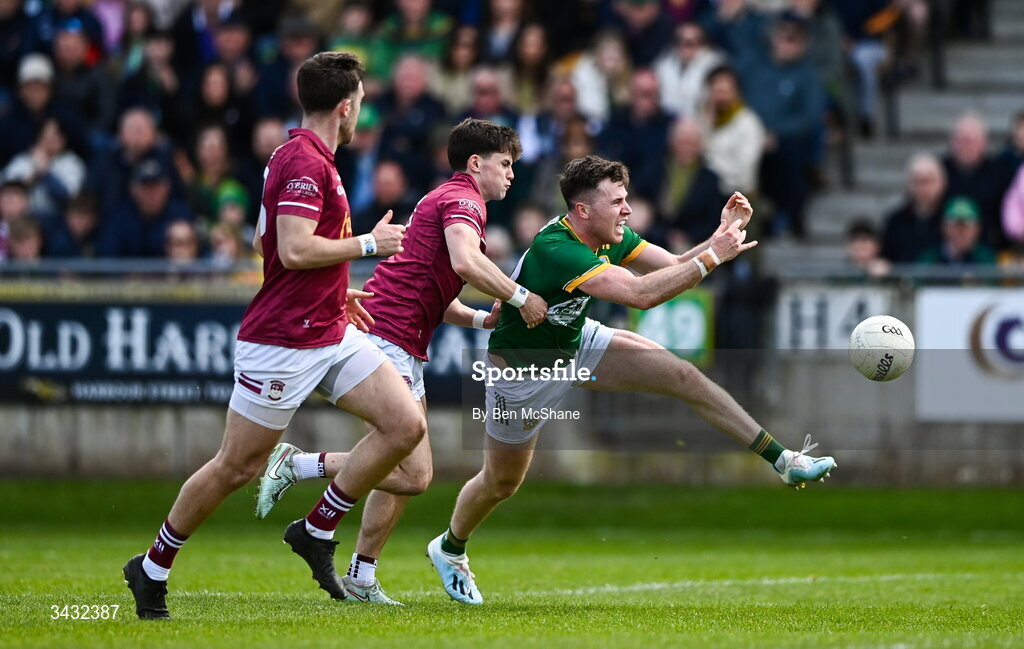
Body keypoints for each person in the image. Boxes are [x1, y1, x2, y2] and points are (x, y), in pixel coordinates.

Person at [425, 155, 834, 604]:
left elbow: (674, 264)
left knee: (683, 376)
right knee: (501, 483)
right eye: (618, 201)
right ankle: (450, 547)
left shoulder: (609, 235)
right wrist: (716, 256)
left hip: (576, 341)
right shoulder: (557, 249)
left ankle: (783, 459)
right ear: (583, 211)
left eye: (626, 199)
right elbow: (641, 296)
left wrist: (719, 238)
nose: (627, 210)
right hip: (523, 376)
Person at [122, 51, 419, 620]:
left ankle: (316, 528)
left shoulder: (302, 155)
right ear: (345, 105)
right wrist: (366, 249)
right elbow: (292, 248)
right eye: (359, 103)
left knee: (405, 424)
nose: (362, 113)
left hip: (328, 325)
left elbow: (273, 247)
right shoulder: (306, 163)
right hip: (283, 340)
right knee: (236, 466)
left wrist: (335, 290)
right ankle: (152, 566)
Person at [253, 118, 548, 605]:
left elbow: (437, 292)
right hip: (384, 336)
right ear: (476, 164)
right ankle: (300, 468)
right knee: (414, 473)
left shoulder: (451, 201)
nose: (511, 174)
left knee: (407, 473)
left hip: (400, 339)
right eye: (505, 164)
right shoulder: (464, 201)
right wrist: (521, 298)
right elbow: (465, 264)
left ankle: (362, 575)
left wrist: (480, 321)